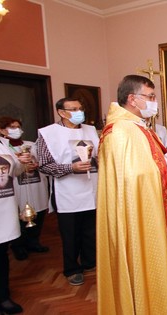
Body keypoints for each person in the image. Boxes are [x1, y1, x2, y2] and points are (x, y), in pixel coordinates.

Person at [97, 75, 167, 314]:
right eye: (150, 97)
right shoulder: (119, 132)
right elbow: (132, 179)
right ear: (132, 99)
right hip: (135, 213)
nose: (154, 102)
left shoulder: (138, 127)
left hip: (151, 202)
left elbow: (148, 165)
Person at [36, 97, 99, 287]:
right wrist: (71, 168)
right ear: (61, 112)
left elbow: (99, 155)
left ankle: (90, 262)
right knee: (71, 234)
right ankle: (72, 269)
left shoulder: (90, 130)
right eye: (73, 109)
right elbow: (44, 165)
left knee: (90, 230)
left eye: (81, 108)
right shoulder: (48, 134)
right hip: (67, 192)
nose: (79, 111)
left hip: (92, 188)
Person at [0, 98, 30, 315]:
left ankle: (3, 296)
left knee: (0, 255)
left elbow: (15, 171)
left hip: (3, 206)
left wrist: (22, 162)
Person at [0, 117, 50, 261]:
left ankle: (34, 242)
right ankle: (18, 246)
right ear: (2, 130)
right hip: (17, 186)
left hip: (36, 184)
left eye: (18, 126)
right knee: (19, 216)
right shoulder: (2, 147)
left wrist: (35, 165)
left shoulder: (31, 145)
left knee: (38, 213)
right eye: (12, 127)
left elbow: (43, 162)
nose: (17, 130)